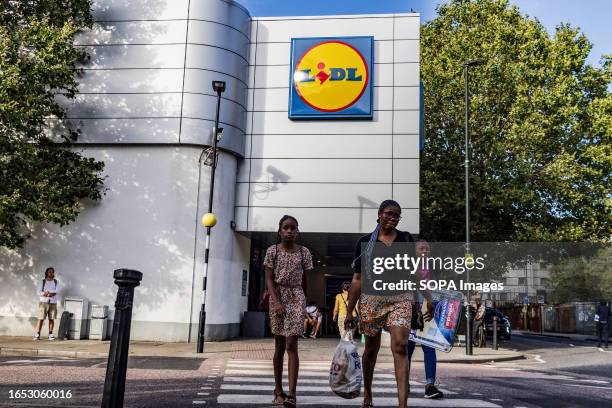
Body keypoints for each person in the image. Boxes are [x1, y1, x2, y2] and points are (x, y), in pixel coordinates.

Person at [344, 199, 434, 408]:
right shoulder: (365, 242)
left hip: (400, 298)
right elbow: (357, 279)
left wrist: (429, 299)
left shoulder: (405, 239)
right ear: (379, 214)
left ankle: (403, 404)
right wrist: (349, 311)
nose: (393, 218)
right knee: (371, 349)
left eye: (397, 215)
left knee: (400, 346)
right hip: (371, 301)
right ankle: (367, 393)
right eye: (389, 214)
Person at [265, 215, 313, 407]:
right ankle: (278, 391)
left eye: (293, 228)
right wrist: (276, 301)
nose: (289, 231)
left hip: (296, 296)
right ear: (279, 231)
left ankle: (292, 394)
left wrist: (303, 302)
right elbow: (268, 279)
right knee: (279, 346)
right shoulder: (272, 251)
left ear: (297, 231)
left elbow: (305, 280)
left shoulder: (304, 252)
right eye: (285, 228)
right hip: (277, 295)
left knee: (292, 344)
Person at [407, 240, 444, 399]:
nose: (425, 251)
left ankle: (430, 386)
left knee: (429, 348)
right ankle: (403, 382)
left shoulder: (431, 269)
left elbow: (435, 290)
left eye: (427, 249)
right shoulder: (408, 267)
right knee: (407, 349)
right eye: (421, 248)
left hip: (427, 311)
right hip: (411, 311)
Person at [34, 267, 59, 341]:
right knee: (41, 318)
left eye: (52, 272)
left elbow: (57, 290)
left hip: (53, 302)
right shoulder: (42, 282)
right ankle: (37, 334)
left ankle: (50, 334)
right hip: (43, 302)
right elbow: (38, 292)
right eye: (49, 272)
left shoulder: (56, 282)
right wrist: (44, 293)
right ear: (46, 273)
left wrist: (50, 292)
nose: (51, 273)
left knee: (51, 319)